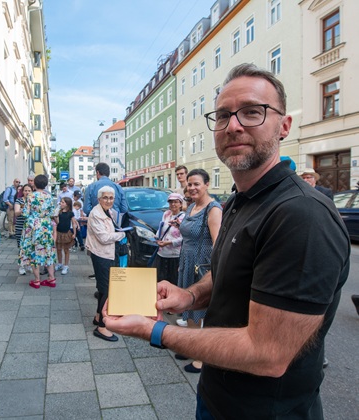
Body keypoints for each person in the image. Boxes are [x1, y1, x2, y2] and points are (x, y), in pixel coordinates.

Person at [102, 63, 350, 419]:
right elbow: (230, 275)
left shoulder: (301, 214)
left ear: (284, 126)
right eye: (222, 116)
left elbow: (268, 354)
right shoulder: (238, 200)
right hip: (219, 398)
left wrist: (154, 331)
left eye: (252, 112)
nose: (233, 125)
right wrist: (189, 296)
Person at [175, 169, 222, 373]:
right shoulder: (192, 206)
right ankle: (191, 346)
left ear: (207, 184)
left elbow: (218, 244)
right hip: (187, 259)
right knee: (188, 304)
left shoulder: (213, 209)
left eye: (197, 184)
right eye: (190, 184)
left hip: (200, 264)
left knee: (197, 307)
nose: (192, 188)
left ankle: (200, 356)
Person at [86, 186, 125, 342]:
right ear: (99, 199)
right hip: (101, 254)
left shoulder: (107, 211)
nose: (109, 200)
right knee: (107, 289)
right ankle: (101, 327)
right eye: (105, 197)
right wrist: (122, 233)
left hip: (107, 253)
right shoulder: (96, 214)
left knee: (103, 288)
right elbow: (103, 237)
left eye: (111, 198)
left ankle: (98, 316)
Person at [20, 174, 56, 289]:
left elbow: (25, 213)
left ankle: (37, 280)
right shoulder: (49, 197)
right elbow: (52, 213)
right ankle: (51, 278)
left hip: (33, 227)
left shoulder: (31, 196)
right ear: (45, 185)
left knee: (34, 251)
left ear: (34, 184)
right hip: (46, 226)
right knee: (48, 251)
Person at [154, 193, 185, 285]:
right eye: (171, 202)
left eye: (176, 202)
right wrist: (157, 237)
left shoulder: (184, 217)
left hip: (175, 256)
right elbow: (161, 228)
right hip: (162, 253)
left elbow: (184, 239)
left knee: (173, 282)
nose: (173, 204)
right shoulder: (166, 214)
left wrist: (168, 243)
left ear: (181, 204)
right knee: (161, 281)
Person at [14, 184, 33, 275]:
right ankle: (21, 266)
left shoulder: (34, 201)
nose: (27, 192)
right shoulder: (19, 200)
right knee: (21, 247)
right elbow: (16, 213)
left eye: (29, 191)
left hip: (30, 227)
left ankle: (28, 264)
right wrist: (24, 208)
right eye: (25, 190)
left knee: (30, 247)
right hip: (20, 226)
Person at [55, 197, 76, 275]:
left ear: (67, 204)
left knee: (66, 250)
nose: (61, 203)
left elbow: (73, 223)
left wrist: (74, 233)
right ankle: (60, 263)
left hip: (66, 233)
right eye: (61, 202)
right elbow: (57, 223)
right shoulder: (59, 212)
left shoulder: (70, 213)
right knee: (58, 249)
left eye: (63, 202)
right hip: (58, 233)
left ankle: (66, 265)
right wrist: (55, 216)